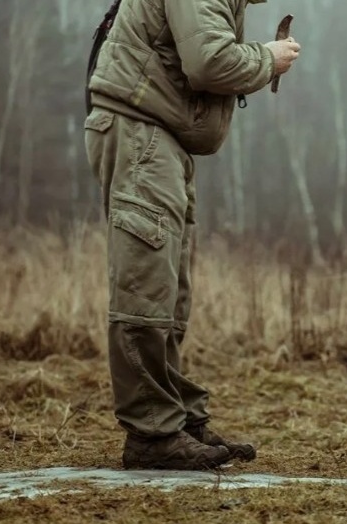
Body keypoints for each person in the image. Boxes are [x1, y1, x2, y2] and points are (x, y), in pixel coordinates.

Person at [83, 0, 301, 470]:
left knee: (168, 289)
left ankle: (176, 419)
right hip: (141, 131)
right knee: (145, 286)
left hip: (159, 136)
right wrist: (268, 58)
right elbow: (208, 61)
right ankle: (151, 434)